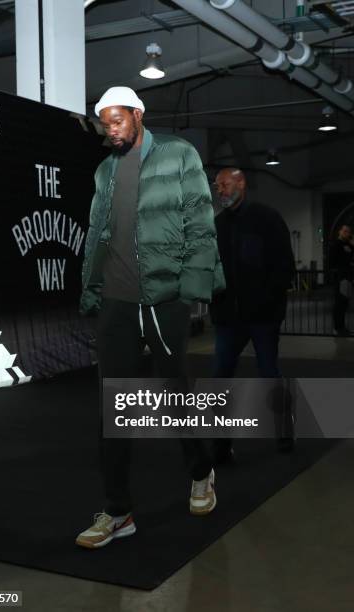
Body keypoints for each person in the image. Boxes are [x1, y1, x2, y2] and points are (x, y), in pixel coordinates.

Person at [75, 87, 225, 549]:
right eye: (104, 123)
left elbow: (201, 221)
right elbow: (98, 231)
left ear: (138, 114)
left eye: (117, 120)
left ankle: (201, 472)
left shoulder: (179, 155)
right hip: (118, 301)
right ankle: (118, 512)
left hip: (163, 297)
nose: (110, 130)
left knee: (174, 391)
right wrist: (91, 287)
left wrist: (192, 289)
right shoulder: (105, 170)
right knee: (112, 407)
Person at [210, 167, 295, 458]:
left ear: (241, 183)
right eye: (217, 186)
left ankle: (284, 434)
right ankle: (221, 442)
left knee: (269, 374)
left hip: (262, 317)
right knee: (221, 377)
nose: (220, 190)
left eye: (224, 184)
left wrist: (270, 304)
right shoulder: (217, 225)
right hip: (228, 319)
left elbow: (285, 266)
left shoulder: (267, 219)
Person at [329, 224, 354, 336]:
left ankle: (342, 327)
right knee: (339, 303)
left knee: (344, 303)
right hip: (341, 278)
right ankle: (338, 327)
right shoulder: (336, 244)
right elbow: (332, 261)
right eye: (344, 231)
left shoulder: (348, 244)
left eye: (348, 231)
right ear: (340, 232)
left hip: (347, 278)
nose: (346, 233)